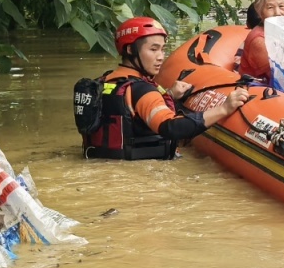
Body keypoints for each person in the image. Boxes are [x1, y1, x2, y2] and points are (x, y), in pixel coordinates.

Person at [83, 17, 250, 160]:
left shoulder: (103, 82)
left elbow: (131, 115)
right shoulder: (142, 90)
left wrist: (169, 95)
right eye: (153, 49)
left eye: (162, 49)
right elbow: (171, 127)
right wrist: (223, 109)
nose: (161, 56)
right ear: (129, 50)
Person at [238, 0, 284, 84]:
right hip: (261, 92)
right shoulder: (259, 40)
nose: (277, 12)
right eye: (270, 7)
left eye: (281, 6)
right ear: (259, 11)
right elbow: (282, 80)